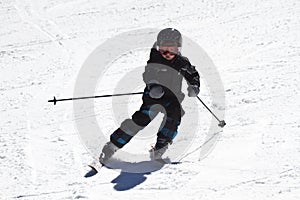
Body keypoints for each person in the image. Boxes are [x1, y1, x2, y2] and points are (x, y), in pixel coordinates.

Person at [99, 28, 200, 164]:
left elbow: (192, 74)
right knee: (140, 121)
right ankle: (112, 146)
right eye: (164, 49)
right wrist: (153, 85)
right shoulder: (155, 60)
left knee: (174, 118)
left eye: (173, 49)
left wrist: (194, 86)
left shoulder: (182, 62)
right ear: (158, 48)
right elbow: (149, 74)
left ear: (178, 48)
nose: (168, 53)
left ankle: (160, 148)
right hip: (154, 97)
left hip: (173, 99)